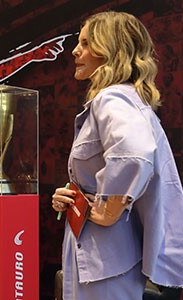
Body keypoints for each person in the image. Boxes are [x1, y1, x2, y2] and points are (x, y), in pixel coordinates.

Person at [51, 11, 183, 299]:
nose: (75, 50)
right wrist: (72, 195)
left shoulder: (112, 98)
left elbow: (135, 153)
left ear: (111, 51)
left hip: (105, 260)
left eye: (86, 43)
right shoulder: (124, 98)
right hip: (101, 258)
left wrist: (109, 209)